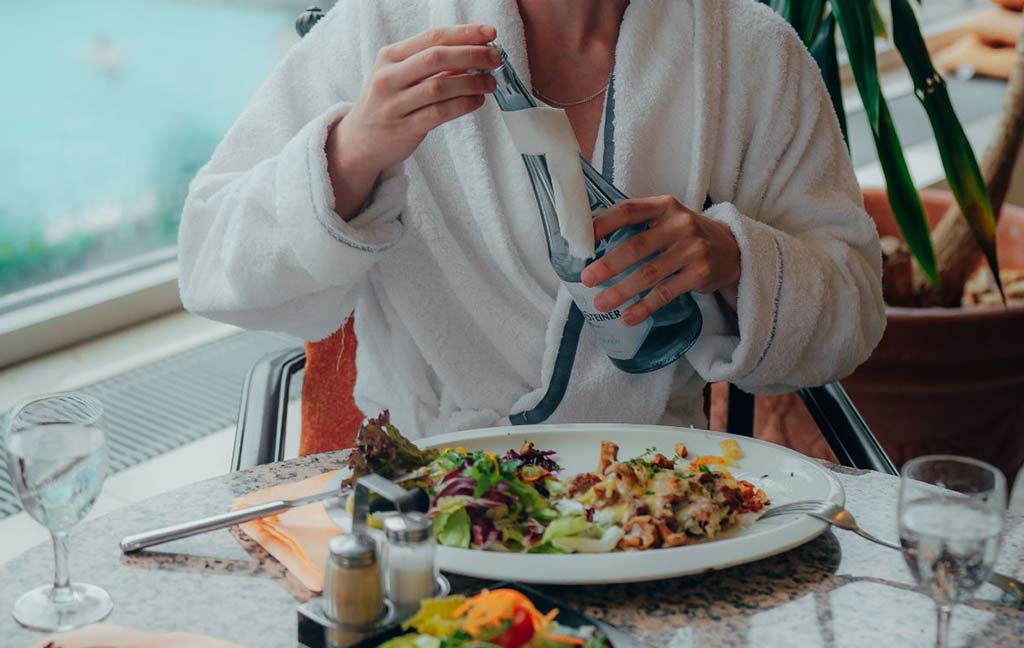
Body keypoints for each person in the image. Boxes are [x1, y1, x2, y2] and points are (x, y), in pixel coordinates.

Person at [178, 0, 885, 440]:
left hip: (651, 504)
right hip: (429, 506)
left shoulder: (748, 53)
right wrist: (350, 152)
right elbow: (208, 259)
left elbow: (853, 307)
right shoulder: (384, 25)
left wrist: (733, 258)